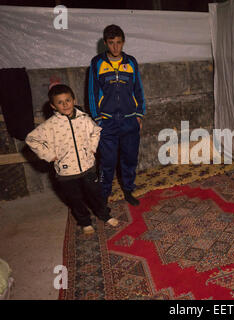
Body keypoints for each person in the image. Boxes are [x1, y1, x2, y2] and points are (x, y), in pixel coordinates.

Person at [26, 84, 119, 235]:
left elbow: (96, 131)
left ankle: (104, 215)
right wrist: (49, 155)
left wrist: (92, 148)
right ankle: (85, 221)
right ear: (53, 106)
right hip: (66, 173)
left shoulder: (84, 119)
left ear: (74, 100)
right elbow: (31, 139)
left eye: (68, 100)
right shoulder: (50, 125)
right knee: (75, 199)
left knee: (95, 194)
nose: (65, 105)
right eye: (60, 102)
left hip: (88, 166)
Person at [88, 24, 146, 207]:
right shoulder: (97, 62)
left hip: (130, 121)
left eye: (119, 43)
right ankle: (104, 195)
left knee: (129, 158)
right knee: (107, 161)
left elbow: (139, 90)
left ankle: (128, 190)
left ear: (123, 42)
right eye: (111, 43)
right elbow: (92, 92)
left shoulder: (131, 62)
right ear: (105, 43)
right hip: (108, 122)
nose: (115, 47)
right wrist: (98, 119)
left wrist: (139, 115)